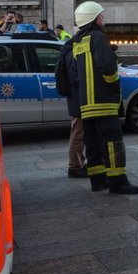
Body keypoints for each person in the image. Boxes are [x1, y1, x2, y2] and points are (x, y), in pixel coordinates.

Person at [72, 1, 138, 194]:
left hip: (86, 103)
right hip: (103, 102)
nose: (103, 19)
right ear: (94, 19)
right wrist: (112, 85)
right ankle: (118, 181)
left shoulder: (78, 40)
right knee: (112, 141)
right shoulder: (98, 38)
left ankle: (98, 180)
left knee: (92, 142)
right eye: (101, 16)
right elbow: (108, 69)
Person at [54, 28, 87, 179]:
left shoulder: (69, 48)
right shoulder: (74, 50)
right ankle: (75, 166)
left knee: (79, 132)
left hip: (75, 98)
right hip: (78, 98)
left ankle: (79, 162)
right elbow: (77, 77)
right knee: (78, 133)